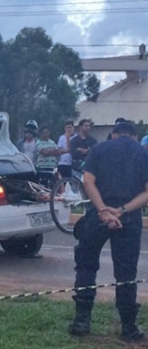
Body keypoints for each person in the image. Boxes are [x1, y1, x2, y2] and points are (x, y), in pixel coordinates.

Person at [69, 121, 148, 341]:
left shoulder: (99, 149)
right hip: (129, 217)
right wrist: (121, 211)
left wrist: (103, 210)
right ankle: (129, 327)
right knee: (126, 273)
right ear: (134, 136)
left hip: (98, 216)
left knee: (86, 264)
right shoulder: (143, 154)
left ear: (113, 134)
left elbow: (88, 181)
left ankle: (81, 321)